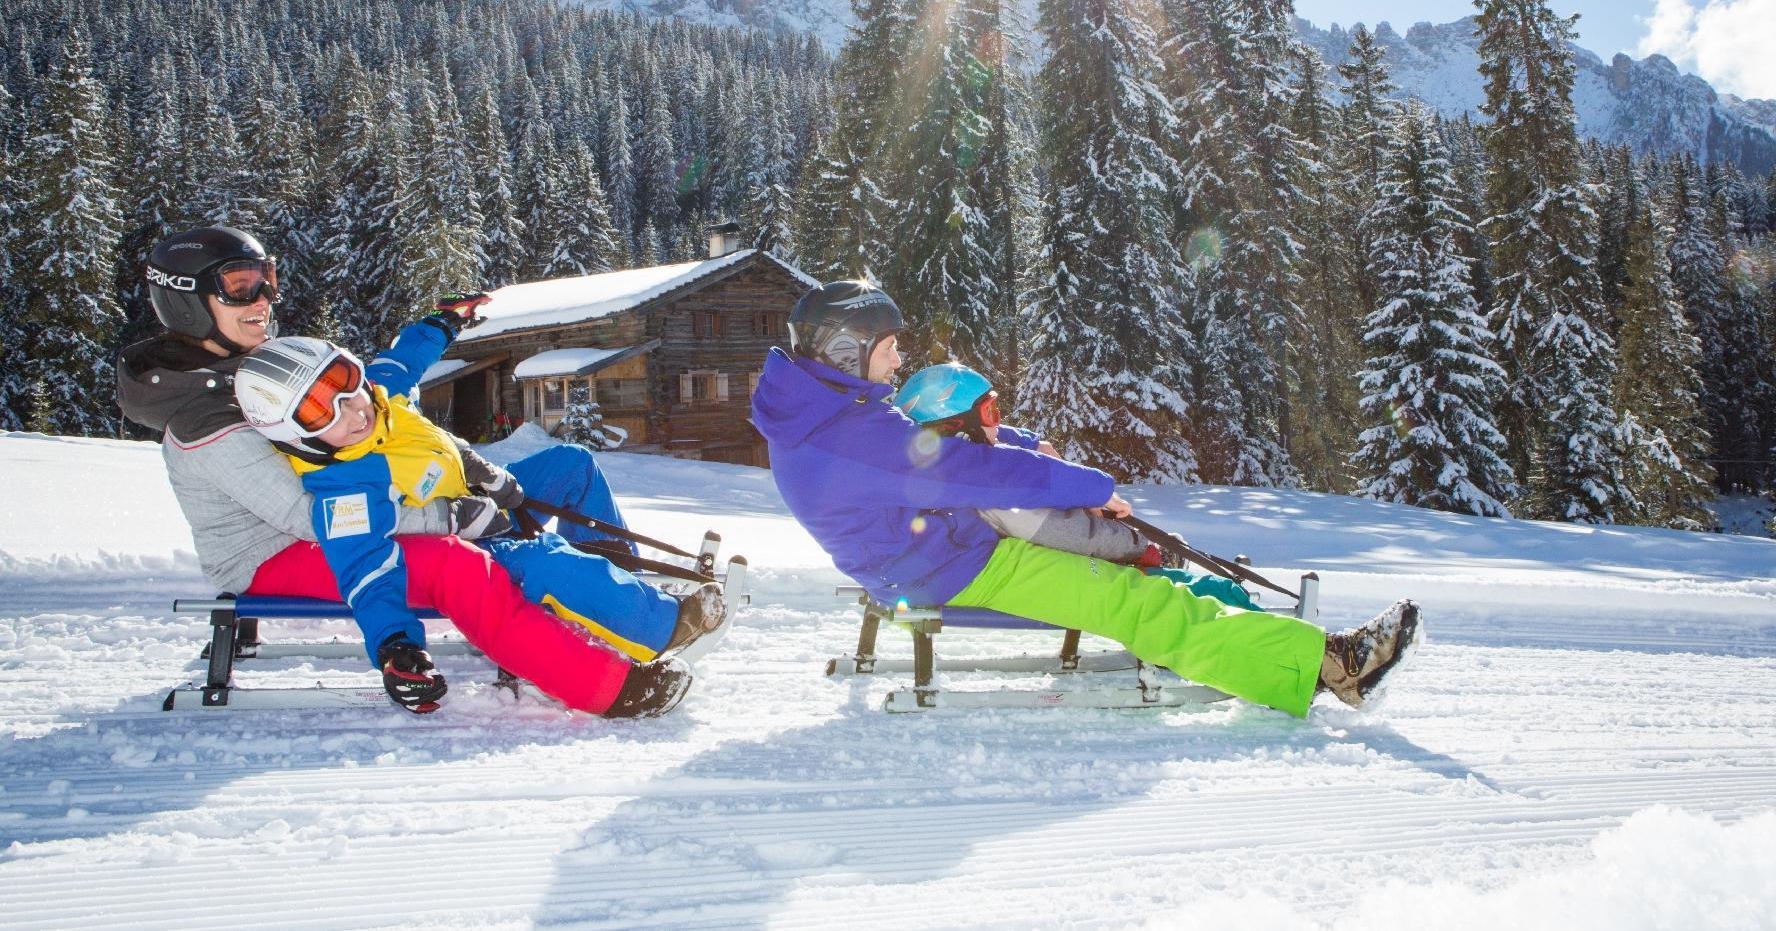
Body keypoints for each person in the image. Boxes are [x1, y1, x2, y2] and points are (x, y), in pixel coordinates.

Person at [751, 279, 1423, 715]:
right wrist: (1094, 488)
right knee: (1128, 599)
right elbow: (967, 470)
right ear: (847, 349)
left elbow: (921, 442)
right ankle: (1330, 666)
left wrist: (1020, 440)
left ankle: (1286, 652)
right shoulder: (844, 437)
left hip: (936, 546)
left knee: (1132, 583)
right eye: (891, 348)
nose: (900, 362)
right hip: (942, 567)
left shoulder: (828, 411)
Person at [116, 225, 690, 717]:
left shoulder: (259, 369)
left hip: (379, 495)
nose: (263, 298)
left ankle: (616, 598)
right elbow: (311, 518)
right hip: (276, 551)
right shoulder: (204, 416)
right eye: (241, 286)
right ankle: (602, 685)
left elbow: (381, 381)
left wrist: (440, 327)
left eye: (266, 277)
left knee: (566, 469)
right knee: (455, 565)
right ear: (189, 300)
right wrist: (451, 516)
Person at [232, 325, 725, 708]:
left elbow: (404, 358)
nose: (351, 409)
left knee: (571, 465)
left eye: (344, 382)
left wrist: (444, 323)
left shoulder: (383, 396)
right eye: (322, 412)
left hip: (482, 496)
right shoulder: (343, 489)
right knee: (543, 557)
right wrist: (395, 644)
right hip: (470, 541)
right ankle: (661, 625)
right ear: (296, 436)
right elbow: (366, 571)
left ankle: (621, 586)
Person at [893, 362, 1259, 611]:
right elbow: (1068, 535)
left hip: (1029, 566)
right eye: (991, 413)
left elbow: (992, 442)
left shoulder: (940, 468)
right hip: (1058, 572)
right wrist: (1140, 546)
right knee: (1191, 592)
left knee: (1170, 583)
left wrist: (1032, 445)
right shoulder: (992, 492)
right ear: (957, 426)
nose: (998, 424)